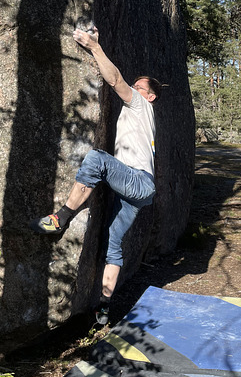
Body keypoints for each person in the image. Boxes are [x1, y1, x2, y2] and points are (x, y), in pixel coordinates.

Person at [30, 26, 162, 325]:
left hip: (137, 181)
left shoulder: (141, 104)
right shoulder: (142, 115)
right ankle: (104, 306)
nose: (134, 88)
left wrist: (94, 47)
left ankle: (61, 218)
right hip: (138, 190)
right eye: (136, 86)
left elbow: (115, 80)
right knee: (113, 244)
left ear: (150, 96)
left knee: (96, 159)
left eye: (139, 87)